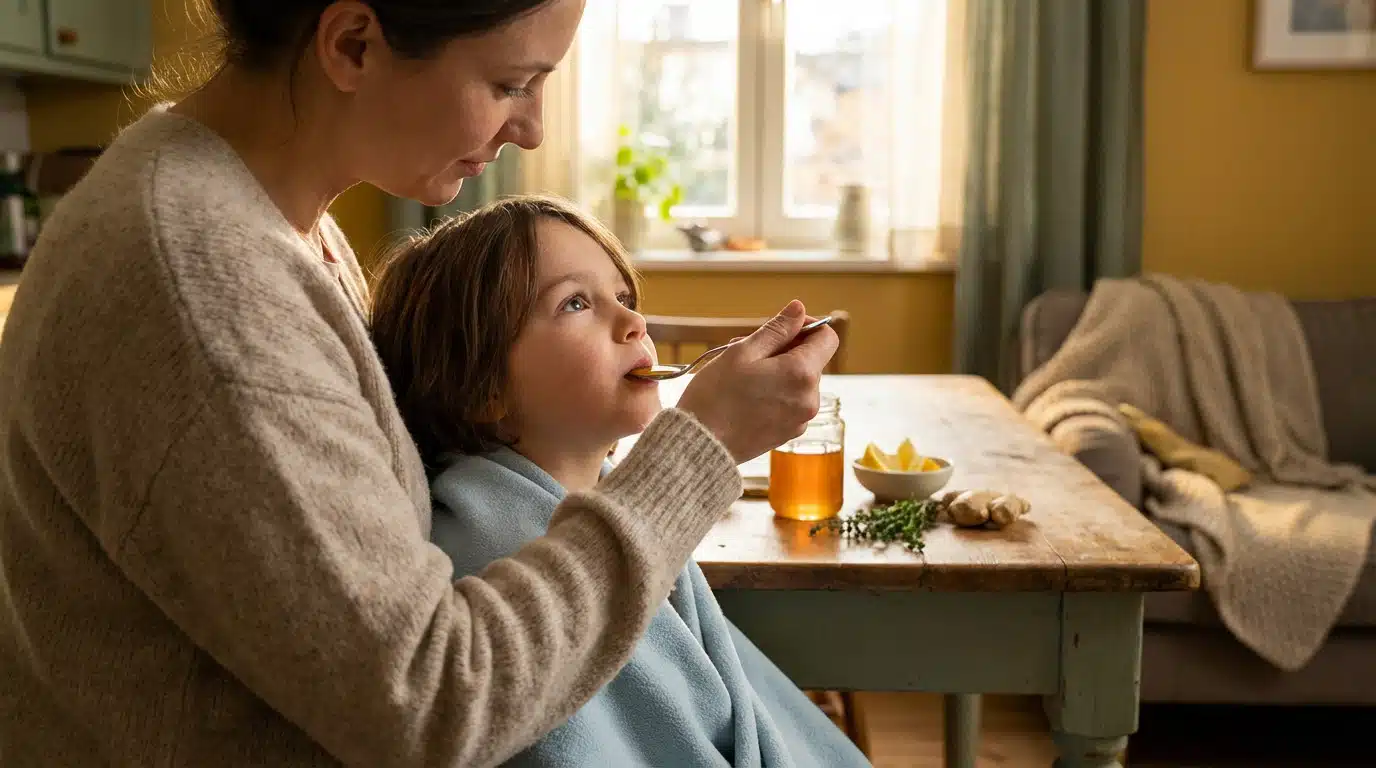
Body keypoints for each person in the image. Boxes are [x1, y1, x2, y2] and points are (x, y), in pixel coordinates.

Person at [0, 1, 839, 766]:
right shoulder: (199, 282)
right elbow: (430, 703)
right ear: (353, 44)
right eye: (510, 83)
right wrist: (698, 451)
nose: (535, 130)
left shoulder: (279, 226)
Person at [369, 195, 870, 768]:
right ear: (483, 388)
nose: (634, 322)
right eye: (576, 303)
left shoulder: (611, 500)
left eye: (624, 297)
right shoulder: (496, 559)